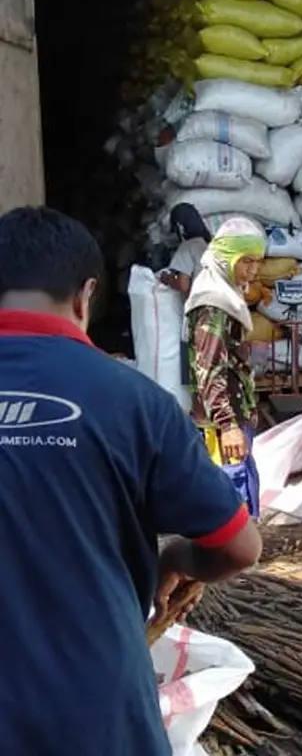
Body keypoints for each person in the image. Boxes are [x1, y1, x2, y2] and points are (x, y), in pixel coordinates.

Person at [0, 206, 262, 755]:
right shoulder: (135, 403)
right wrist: (175, 561)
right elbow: (237, 546)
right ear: (84, 295)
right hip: (97, 715)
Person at [185, 216, 265, 515]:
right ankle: (235, 559)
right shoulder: (214, 303)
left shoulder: (225, 292)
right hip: (222, 422)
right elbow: (209, 369)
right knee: (232, 499)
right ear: (227, 257)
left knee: (240, 489)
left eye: (257, 262)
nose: (253, 270)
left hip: (232, 412)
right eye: (246, 262)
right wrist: (228, 425)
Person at [160, 203, 212, 297]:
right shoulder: (214, 243)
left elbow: (183, 285)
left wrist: (168, 279)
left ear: (181, 228)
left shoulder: (188, 246)